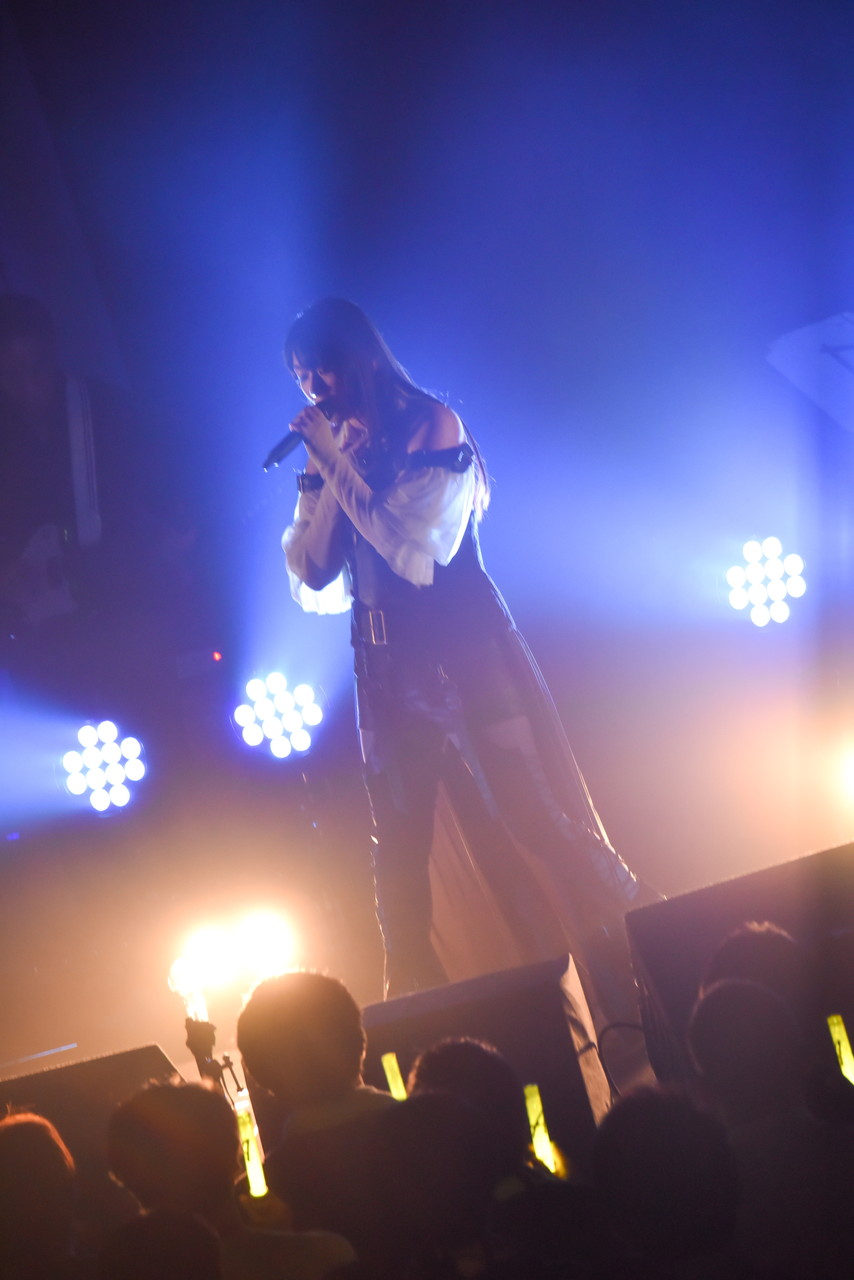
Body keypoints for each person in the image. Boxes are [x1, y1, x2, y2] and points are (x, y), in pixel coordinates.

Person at [281, 297, 654, 1010]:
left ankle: (656, 923)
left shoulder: (433, 424)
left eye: (320, 370)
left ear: (359, 358)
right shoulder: (335, 448)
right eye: (300, 377)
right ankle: (414, 1003)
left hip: (463, 653)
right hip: (384, 669)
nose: (312, 389)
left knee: (532, 814)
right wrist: (328, 467)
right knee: (398, 845)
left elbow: (411, 553)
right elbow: (312, 568)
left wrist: (334, 462)